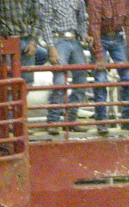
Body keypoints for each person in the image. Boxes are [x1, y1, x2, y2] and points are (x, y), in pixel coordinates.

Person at [88, 0, 129, 136]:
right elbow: (94, 27)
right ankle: (101, 121)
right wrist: (99, 55)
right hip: (100, 38)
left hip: (117, 37)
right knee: (101, 80)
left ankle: (128, 118)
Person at [40, 0, 93, 135]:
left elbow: (81, 20)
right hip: (59, 39)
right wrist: (51, 46)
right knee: (59, 82)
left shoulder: (78, 1)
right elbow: (45, 23)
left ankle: (70, 119)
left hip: (74, 40)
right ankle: (53, 121)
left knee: (81, 81)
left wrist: (85, 35)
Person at [0, 0, 48, 85]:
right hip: (4, 40)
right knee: (6, 76)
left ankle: (19, 96)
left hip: (25, 40)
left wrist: (33, 42)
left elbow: (38, 20)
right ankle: (9, 97)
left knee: (27, 78)